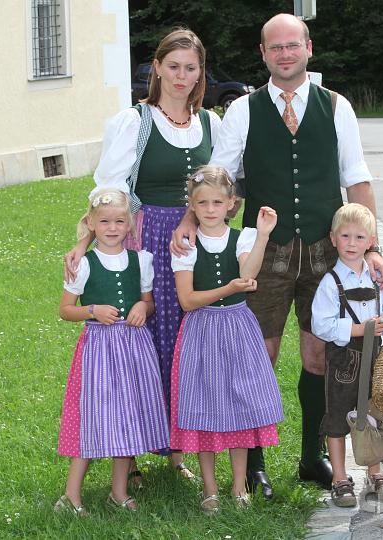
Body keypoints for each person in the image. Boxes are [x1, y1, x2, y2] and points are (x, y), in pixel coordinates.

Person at [172, 13, 383, 498]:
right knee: (258, 357)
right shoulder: (243, 110)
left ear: (309, 48)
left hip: (324, 253)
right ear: (263, 53)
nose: (285, 54)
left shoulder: (336, 106)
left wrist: (370, 248)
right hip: (261, 254)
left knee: (320, 355)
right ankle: (254, 466)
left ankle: (313, 456)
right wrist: (191, 219)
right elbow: (219, 177)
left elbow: (357, 179)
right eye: (276, 47)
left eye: (293, 45)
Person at [64, 28, 222, 479]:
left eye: (190, 68)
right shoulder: (135, 122)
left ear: (199, 72)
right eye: (172, 66)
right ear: (156, 67)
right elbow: (108, 192)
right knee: (139, 346)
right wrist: (84, 240)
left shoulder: (210, 123)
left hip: (195, 246)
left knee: (183, 343)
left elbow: (223, 188)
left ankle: (175, 452)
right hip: (147, 238)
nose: (181, 76)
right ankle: (128, 455)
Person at [170, 167, 284, 514]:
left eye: (218, 202)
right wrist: (227, 289)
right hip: (202, 330)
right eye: (202, 202)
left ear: (231, 204)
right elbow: (187, 301)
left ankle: (237, 489)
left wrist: (263, 235)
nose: (209, 208)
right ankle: (210, 490)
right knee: (205, 407)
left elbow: (247, 276)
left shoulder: (243, 237)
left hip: (237, 328)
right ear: (191, 205)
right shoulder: (186, 245)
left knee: (240, 407)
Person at [55, 190, 169, 515]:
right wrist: (92, 310)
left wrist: (141, 307)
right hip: (100, 351)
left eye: (120, 221)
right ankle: (71, 496)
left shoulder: (140, 260)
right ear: (91, 224)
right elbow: (65, 310)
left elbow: (149, 302)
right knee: (94, 418)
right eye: (104, 221)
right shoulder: (84, 264)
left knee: (129, 416)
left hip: (134, 348)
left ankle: (118, 492)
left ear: (129, 225)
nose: (112, 227)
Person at [311, 203, 383, 507]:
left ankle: (374, 470)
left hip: (375, 356)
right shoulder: (330, 283)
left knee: (373, 413)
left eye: (359, 238)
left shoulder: (374, 278)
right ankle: (340, 478)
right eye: (346, 236)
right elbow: (320, 324)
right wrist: (358, 329)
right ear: (333, 238)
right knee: (338, 417)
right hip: (344, 360)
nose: (352, 244)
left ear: (370, 241)